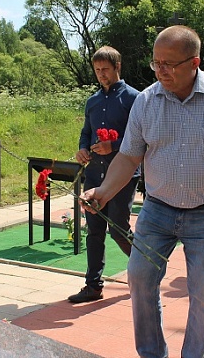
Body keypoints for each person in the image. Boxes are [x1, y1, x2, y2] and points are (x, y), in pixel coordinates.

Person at [80, 25, 204, 358]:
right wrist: (102, 192)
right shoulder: (147, 101)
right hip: (158, 210)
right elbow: (129, 156)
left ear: (194, 62)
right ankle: (152, 353)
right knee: (139, 277)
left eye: (169, 64)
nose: (160, 71)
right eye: (156, 63)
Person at [68, 46, 141, 304]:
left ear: (117, 67)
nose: (101, 74)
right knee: (94, 230)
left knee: (119, 229)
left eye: (105, 69)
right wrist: (82, 149)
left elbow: (140, 137)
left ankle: (146, 273)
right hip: (94, 173)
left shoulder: (134, 98)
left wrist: (115, 145)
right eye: (97, 70)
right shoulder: (93, 101)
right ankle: (93, 286)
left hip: (123, 174)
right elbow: (86, 132)